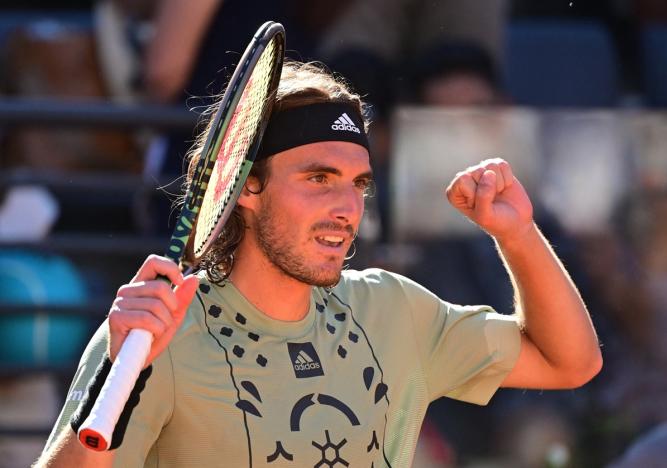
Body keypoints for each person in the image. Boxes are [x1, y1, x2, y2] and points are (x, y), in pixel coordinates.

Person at [36, 61, 602, 468]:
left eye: (358, 184)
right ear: (247, 188)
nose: (347, 208)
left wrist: (519, 234)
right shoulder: (156, 335)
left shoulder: (392, 306)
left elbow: (570, 362)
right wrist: (120, 376)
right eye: (318, 179)